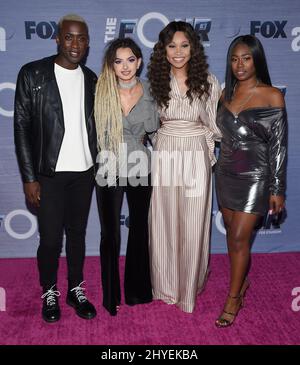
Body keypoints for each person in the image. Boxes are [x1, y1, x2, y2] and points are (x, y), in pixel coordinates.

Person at [14, 14, 97, 322]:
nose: (75, 44)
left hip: (84, 172)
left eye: (81, 39)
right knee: (50, 239)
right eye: (69, 37)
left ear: (88, 44)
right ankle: (49, 291)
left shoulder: (91, 79)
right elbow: (21, 128)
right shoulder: (33, 74)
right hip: (48, 173)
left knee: (77, 235)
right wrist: (28, 178)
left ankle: (76, 290)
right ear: (58, 39)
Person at [147, 21, 221, 313]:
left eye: (184, 45)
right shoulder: (153, 82)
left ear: (194, 48)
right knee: (163, 220)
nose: (178, 52)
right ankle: (165, 286)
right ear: (163, 50)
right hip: (165, 150)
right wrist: (163, 141)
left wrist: (203, 150)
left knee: (193, 222)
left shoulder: (209, 82)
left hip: (195, 152)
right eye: (171, 45)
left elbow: (214, 126)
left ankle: (189, 288)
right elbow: (149, 124)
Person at [215, 34, 287, 327]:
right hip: (225, 175)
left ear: (256, 59)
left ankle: (233, 299)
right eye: (234, 59)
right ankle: (241, 282)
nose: (240, 64)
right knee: (234, 237)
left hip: (256, 177)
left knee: (238, 238)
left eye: (246, 58)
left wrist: (277, 188)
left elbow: (279, 146)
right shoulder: (224, 95)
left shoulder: (272, 95)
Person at [94, 38, 159, 316]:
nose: (125, 66)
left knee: (139, 231)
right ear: (111, 64)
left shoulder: (152, 93)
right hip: (108, 167)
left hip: (140, 167)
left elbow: (157, 133)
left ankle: (138, 292)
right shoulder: (99, 91)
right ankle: (111, 297)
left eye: (130, 60)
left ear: (139, 62)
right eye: (118, 61)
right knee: (110, 235)